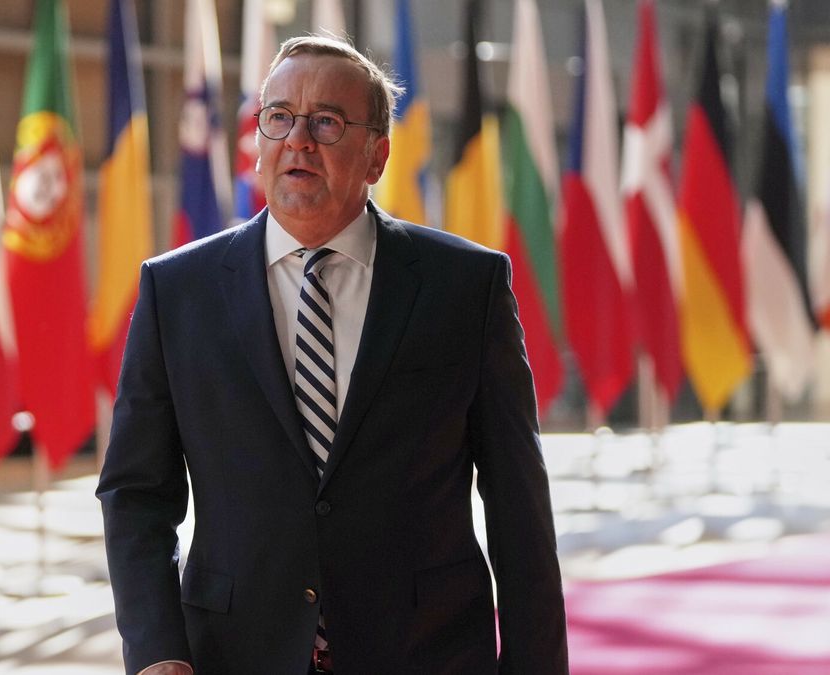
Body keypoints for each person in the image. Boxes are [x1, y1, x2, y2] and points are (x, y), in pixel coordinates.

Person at [97, 35, 568, 675]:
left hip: (427, 651)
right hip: (236, 654)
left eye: (326, 121)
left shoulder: (466, 287)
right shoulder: (177, 290)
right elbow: (135, 491)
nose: (298, 139)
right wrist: (155, 652)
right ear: (256, 143)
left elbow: (518, 502)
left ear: (377, 156)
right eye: (279, 117)